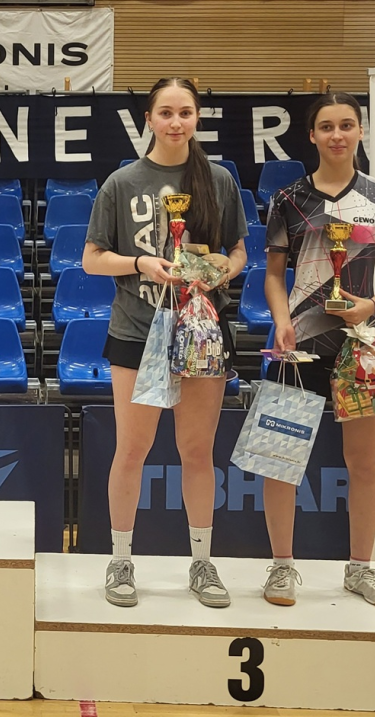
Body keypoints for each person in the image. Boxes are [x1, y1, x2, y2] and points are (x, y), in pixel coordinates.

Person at [84, 77, 249, 607]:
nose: (176, 122)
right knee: (132, 449)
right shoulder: (121, 182)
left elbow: (240, 251)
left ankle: (202, 564)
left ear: (197, 118)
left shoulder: (218, 179)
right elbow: (92, 259)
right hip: (137, 330)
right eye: (166, 113)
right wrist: (141, 264)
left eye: (186, 113)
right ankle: (120, 562)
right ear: (149, 120)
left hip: (202, 330)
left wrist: (224, 267)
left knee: (197, 451)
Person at [260, 92, 375, 608]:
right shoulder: (289, 200)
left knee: (364, 464)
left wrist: (371, 305)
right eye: (327, 126)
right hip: (297, 344)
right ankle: (281, 568)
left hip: (360, 346)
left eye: (347, 125)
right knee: (280, 460)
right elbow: (274, 276)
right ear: (312, 135)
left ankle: (361, 569)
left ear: (361, 131)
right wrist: (281, 321)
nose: (338, 134)